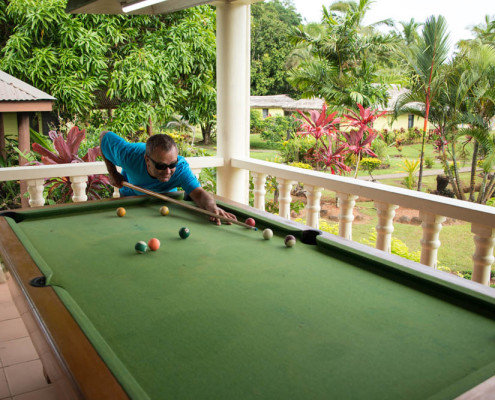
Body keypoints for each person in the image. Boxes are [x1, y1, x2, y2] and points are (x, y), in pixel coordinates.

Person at [100, 131, 236, 225]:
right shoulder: (129, 155)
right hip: (131, 200)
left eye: (172, 165)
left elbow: (199, 193)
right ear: (147, 160)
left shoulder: (181, 169)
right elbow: (104, 136)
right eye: (161, 166)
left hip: (166, 202)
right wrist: (112, 172)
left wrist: (212, 207)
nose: (168, 171)